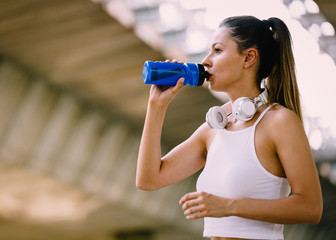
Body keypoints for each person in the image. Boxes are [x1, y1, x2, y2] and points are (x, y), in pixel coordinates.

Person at [136, 15, 323, 240]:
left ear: (248, 58)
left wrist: (228, 206)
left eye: (217, 50)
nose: (206, 61)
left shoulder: (280, 122)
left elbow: (311, 208)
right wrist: (156, 107)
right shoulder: (213, 129)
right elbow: (148, 180)